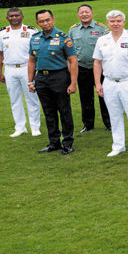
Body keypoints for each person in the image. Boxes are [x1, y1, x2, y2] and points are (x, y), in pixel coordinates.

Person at [92, 10, 128, 157]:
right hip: (109, 82)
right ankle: (118, 145)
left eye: (118, 21)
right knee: (114, 116)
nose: (115, 23)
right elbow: (97, 63)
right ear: (108, 23)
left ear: (124, 22)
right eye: (112, 21)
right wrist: (98, 83)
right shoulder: (102, 40)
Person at [26, 9, 77, 154]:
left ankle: (67, 142)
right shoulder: (34, 38)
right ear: (37, 23)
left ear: (53, 20)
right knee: (48, 112)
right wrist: (30, 82)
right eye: (41, 21)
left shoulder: (63, 37)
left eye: (47, 20)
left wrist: (73, 83)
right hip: (41, 78)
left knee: (64, 110)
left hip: (59, 77)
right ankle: (54, 142)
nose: (45, 23)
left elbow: (73, 61)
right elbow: (31, 60)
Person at [0, 7, 41, 137]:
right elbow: (0, 54)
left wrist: (36, 70)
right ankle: (20, 127)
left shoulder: (31, 31)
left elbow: (37, 52)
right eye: (11, 16)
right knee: (14, 99)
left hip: (27, 68)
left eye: (16, 15)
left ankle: (35, 127)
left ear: (22, 17)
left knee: (32, 98)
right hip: (10, 68)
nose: (14, 18)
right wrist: (0, 71)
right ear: (7, 18)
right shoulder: (2, 33)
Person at [68, 4, 110, 133]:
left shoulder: (101, 28)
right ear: (78, 15)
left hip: (100, 69)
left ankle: (109, 123)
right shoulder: (73, 30)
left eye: (86, 12)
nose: (84, 14)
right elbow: (70, 51)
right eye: (81, 12)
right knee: (85, 98)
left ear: (91, 13)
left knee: (104, 96)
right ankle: (88, 124)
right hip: (82, 69)